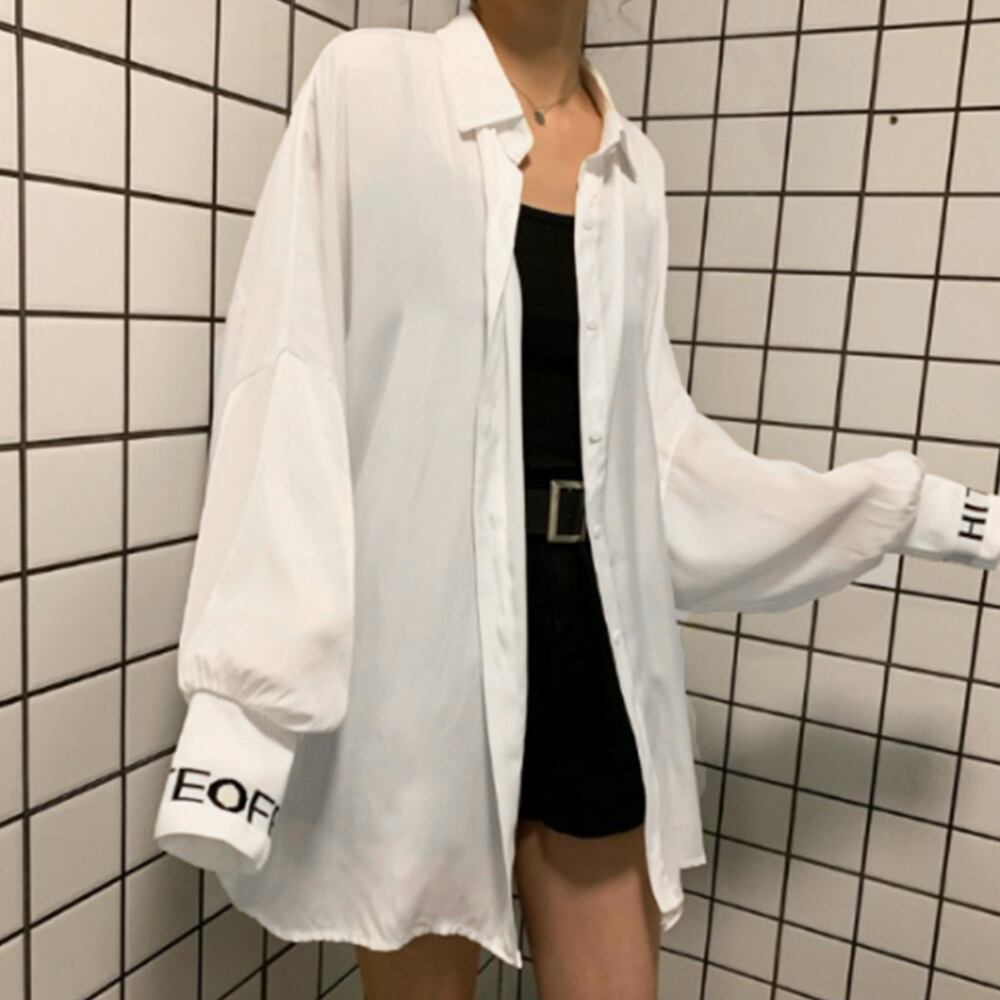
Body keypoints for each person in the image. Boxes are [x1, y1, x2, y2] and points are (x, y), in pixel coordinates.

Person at [152, 2, 1000, 999]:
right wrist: (247, 711)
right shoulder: (371, 90)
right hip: (419, 653)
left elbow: (659, 457)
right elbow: (288, 379)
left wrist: (911, 509)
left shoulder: (633, 172)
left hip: (593, 634)